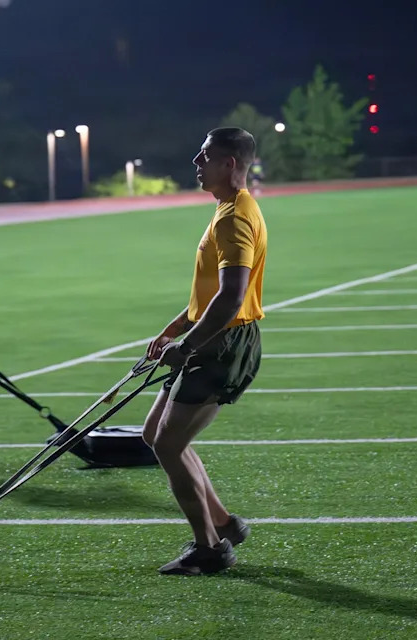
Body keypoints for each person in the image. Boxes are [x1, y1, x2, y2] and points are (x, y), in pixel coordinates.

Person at [143, 127, 267, 575]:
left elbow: (232, 297)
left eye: (205, 155)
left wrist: (189, 344)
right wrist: (175, 328)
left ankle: (209, 548)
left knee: (169, 443)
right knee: (154, 433)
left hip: (221, 341)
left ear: (229, 163)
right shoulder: (229, 208)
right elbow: (212, 292)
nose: (196, 161)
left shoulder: (234, 218)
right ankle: (223, 524)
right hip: (210, 334)